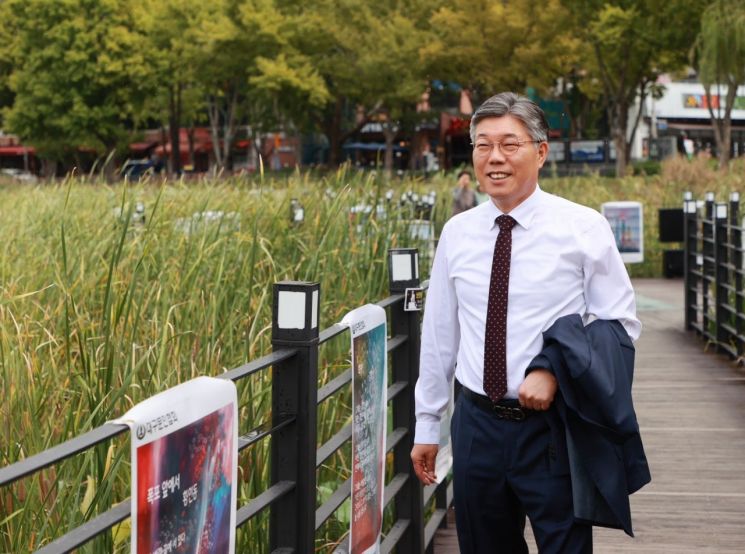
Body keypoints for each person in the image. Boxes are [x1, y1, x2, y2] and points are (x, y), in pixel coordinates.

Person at [411, 92, 644, 553]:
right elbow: (440, 336)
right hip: (476, 425)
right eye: (482, 145)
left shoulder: (581, 227)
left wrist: (552, 369)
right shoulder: (457, 232)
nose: (494, 158)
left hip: (552, 429)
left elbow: (620, 323)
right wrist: (426, 424)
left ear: (540, 152)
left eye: (509, 144)